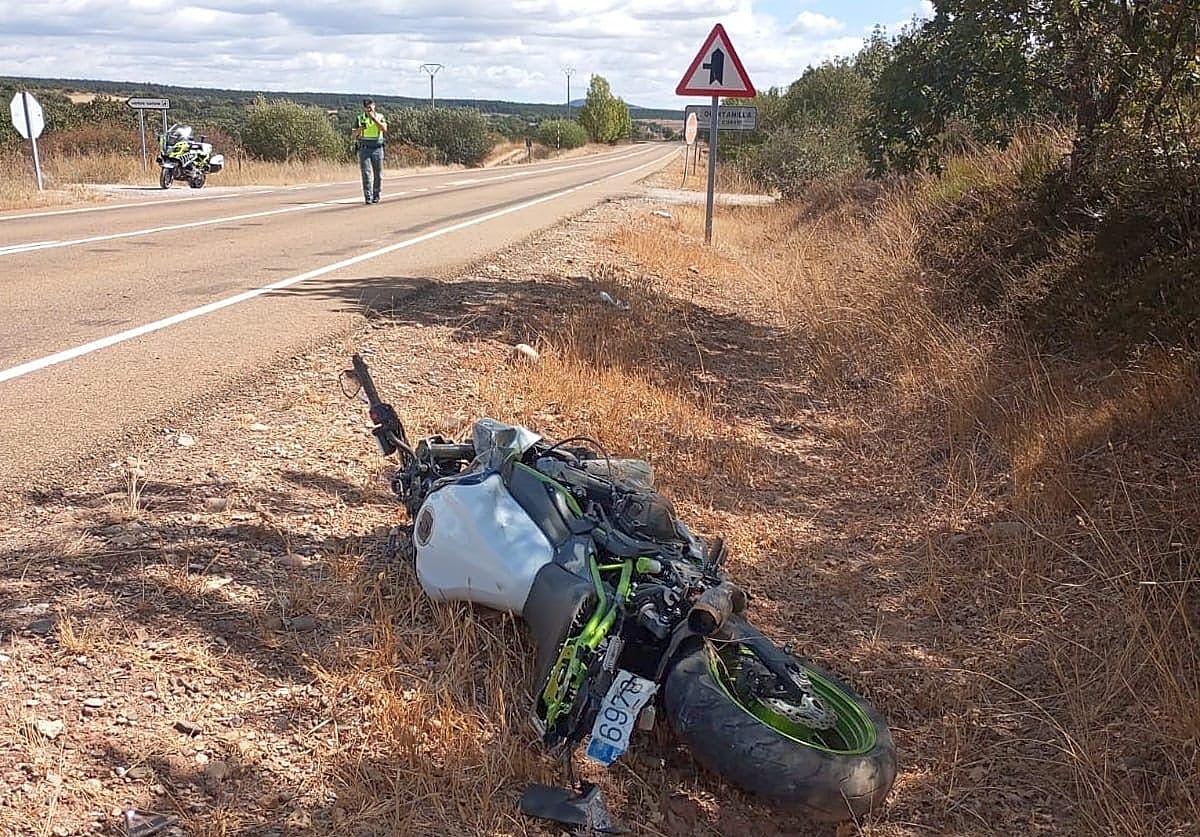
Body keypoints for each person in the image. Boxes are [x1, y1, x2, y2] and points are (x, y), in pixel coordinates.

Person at [354, 98, 388, 204]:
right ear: (364, 108)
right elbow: (353, 135)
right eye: (367, 107)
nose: (369, 109)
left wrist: (374, 119)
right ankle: (368, 196)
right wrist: (361, 128)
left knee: (378, 174)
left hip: (377, 148)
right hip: (365, 148)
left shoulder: (380, 117)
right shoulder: (360, 118)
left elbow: (384, 129)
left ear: (374, 106)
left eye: (370, 107)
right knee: (366, 173)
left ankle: (376, 195)